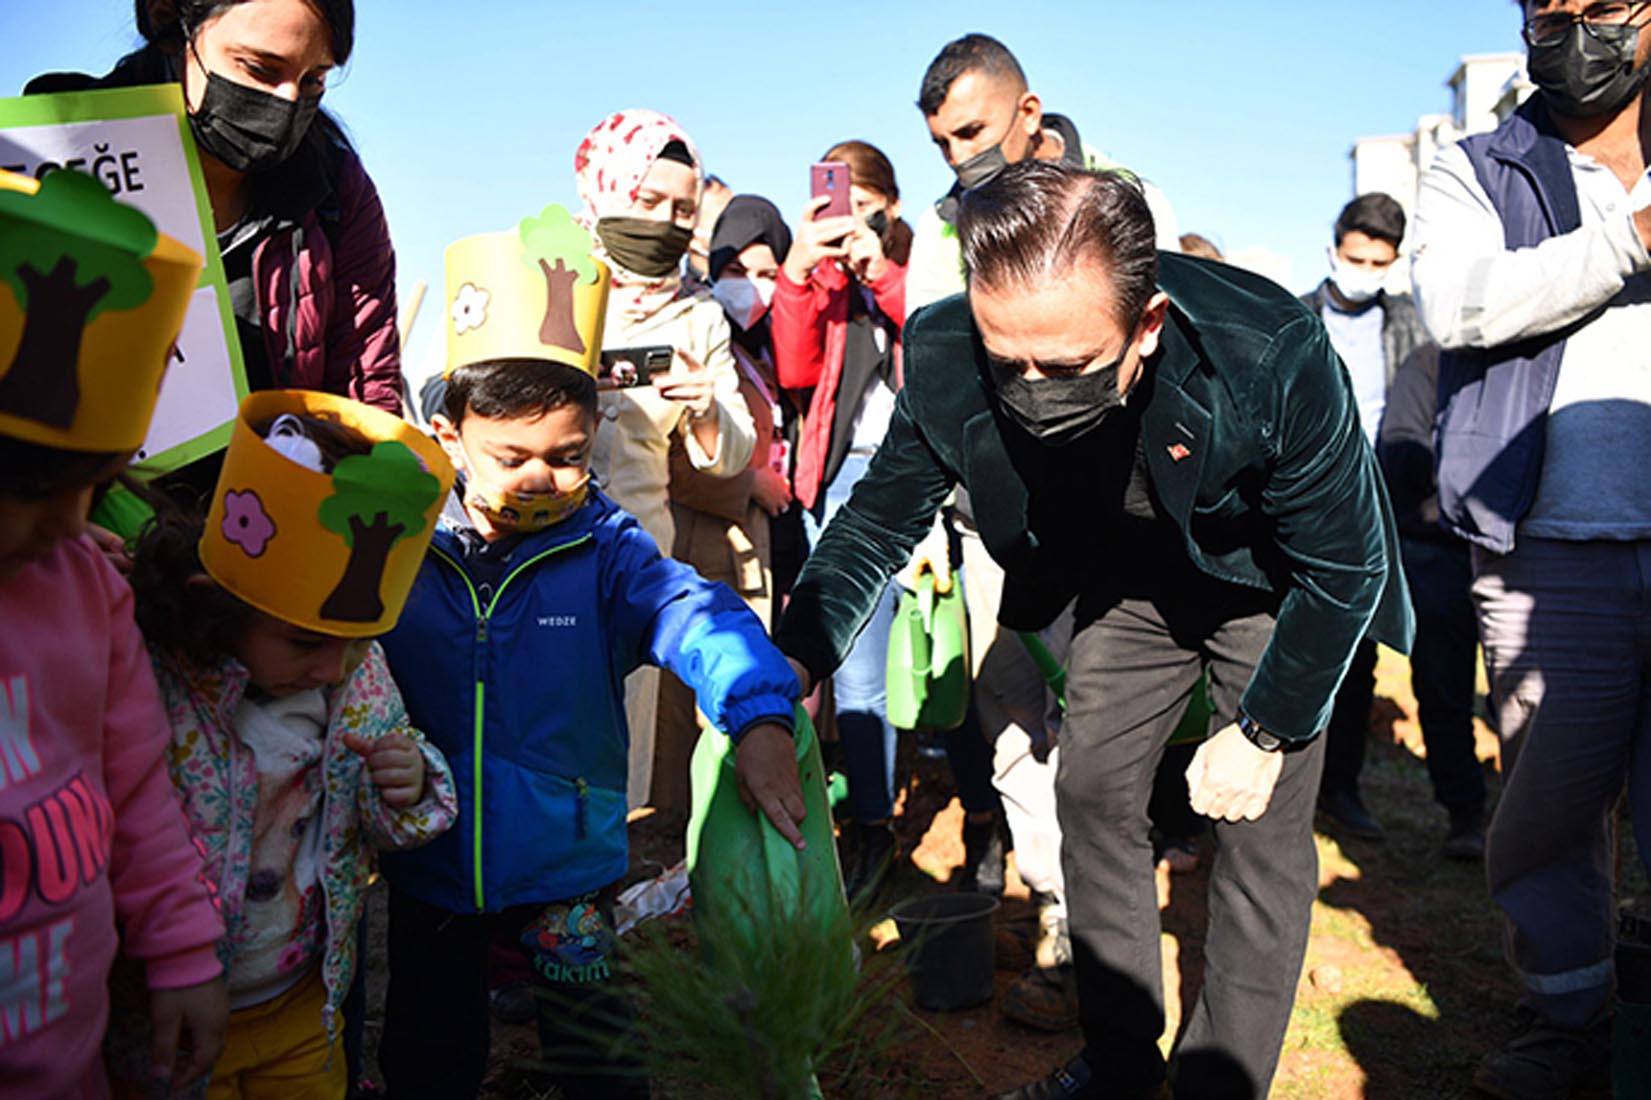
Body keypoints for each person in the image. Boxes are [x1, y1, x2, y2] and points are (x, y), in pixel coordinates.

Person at [776, 162, 1411, 1100]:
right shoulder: (949, 349)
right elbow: (875, 520)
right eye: (1010, 365)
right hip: (1126, 582)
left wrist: (1267, 730)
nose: (1031, 389)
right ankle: (1118, 1064)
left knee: (1258, 832)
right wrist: (796, 654)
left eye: (1066, 367)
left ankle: (1217, 1082)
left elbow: (1345, 565)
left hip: (1268, 585)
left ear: (1145, 324)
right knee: (1093, 791)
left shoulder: (1268, 348)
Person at [375, 216, 804, 1100]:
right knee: (428, 1051)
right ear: (448, 432)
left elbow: (696, 617)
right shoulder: (396, 535)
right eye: (512, 458)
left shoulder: (606, 551)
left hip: (567, 866)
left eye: (569, 458)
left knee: (595, 1053)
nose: (542, 480)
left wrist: (759, 712)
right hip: (427, 857)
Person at [904, 32, 1183, 1020]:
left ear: (1030, 114)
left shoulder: (1120, 202)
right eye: (942, 142)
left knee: (1096, 727)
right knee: (1014, 722)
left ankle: (1114, 930)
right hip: (986, 529)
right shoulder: (944, 233)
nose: (959, 156)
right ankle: (1064, 914)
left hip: (1107, 525)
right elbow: (929, 394)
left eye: (972, 131)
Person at [1411, 2, 1651, 1094]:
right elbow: (1458, 303)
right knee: (1549, 809)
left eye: (1601, 8)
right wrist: (1623, 240)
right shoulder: (1479, 165)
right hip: (1544, 546)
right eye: (1547, 9)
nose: (1571, 30)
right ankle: (1566, 1016)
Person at [109, 395, 459, 1100]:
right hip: (163, 1018)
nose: (331, 668)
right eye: (303, 644)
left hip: (303, 1002)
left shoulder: (352, 676)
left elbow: (374, 817)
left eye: (353, 644)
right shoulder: (149, 676)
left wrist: (409, 781)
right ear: (220, 603)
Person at [0, 169, 226, 1099]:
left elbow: (138, 783)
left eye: (90, 489)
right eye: (26, 489)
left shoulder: (84, 586)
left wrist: (181, 951)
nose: (63, 523)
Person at [771, 140, 1002, 897]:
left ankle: (982, 818)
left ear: (891, 205)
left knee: (951, 662)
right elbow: (796, 371)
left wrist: (883, 273)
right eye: (835, 200)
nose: (850, 216)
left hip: (933, 481)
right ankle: (870, 832)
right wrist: (801, 274)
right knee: (862, 677)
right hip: (842, 487)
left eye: (863, 200)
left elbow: (947, 343)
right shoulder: (821, 280)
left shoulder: (927, 262)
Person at [29, 0, 403, 414]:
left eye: (313, 79)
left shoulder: (336, 192)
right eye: (259, 68)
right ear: (167, 18)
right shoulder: (48, 152)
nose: (287, 101)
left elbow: (364, 390)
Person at [573, 108, 758, 808]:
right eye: (647, 201)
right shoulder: (552, 276)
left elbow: (733, 448)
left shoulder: (698, 312)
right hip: (540, 543)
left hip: (638, 552)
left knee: (619, 731)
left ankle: (598, 897)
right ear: (607, 190)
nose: (664, 222)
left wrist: (706, 404)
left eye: (682, 209)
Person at [652, 194, 798, 818]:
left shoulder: (761, 351)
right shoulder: (695, 333)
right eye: (737, 272)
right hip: (703, 536)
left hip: (749, 538)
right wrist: (750, 484)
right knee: (684, 707)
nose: (751, 289)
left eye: (768, 274)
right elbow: (668, 453)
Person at [1299, 193, 1433, 843]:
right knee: (1291, 647)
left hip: (1379, 509)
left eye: (1378, 263)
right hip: (1302, 507)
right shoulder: (1294, 320)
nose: (1363, 271)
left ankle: (1340, 788)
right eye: (1355, 258)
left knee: (1356, 659)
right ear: (1333, 249)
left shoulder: (1409, 325)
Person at [1373, 343, 1489, 860]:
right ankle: (1465, 811)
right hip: (1435, 546)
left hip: (1524, 549)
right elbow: (1400, 451)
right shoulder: (1429, 364)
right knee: (1445, 688)